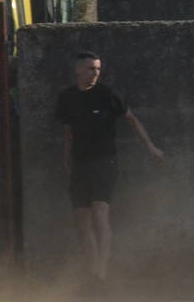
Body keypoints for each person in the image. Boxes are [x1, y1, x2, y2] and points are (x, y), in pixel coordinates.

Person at [54, 52, 163, 289]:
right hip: (80, 164)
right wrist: (67, 160)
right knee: (81, 220)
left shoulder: (107, 94)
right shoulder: (67, 97)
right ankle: (91, 272)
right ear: (78, 70)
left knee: (100, 214)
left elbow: (132, 120)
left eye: (98, 69)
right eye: (91, 68)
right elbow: (68, 133)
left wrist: (150, 146)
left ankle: (101, 273)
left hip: (105, 163)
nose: (95, 73)